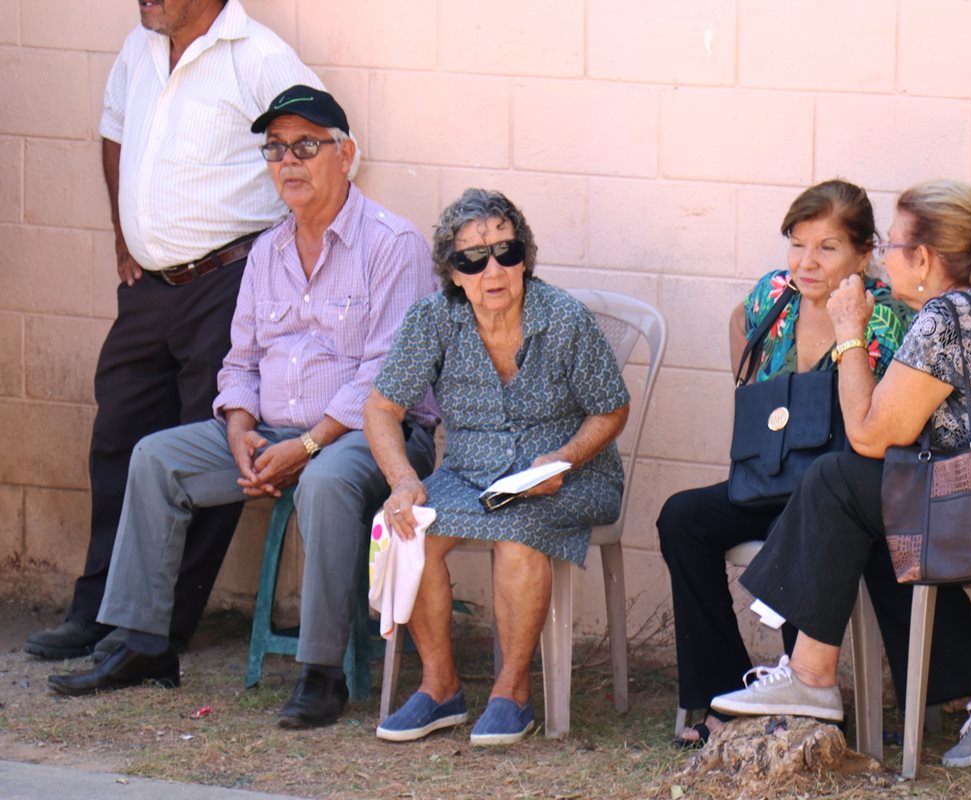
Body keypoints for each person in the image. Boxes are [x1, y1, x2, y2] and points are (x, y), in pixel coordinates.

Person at [47, 86, 440, 732]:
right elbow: (240, 362)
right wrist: (238, 429)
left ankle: (322, 673)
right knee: (156, 458)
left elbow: (383, 376)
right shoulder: (268, 250)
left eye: (305, 146)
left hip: (376, 436)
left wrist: (306, 445)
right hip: (275, 432)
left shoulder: (392, 243)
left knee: (325, 481)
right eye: (276, 149)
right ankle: (143, 642)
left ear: (346, 155)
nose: (289, 161)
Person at [711, 179, 971, 768]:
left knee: (833, 479)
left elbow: (870, 437)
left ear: (924, 258)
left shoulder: (946, 319)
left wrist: (850, 330)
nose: (882, 257)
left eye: (893, 246)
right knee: (881, 525)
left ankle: (809, 675)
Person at [26, 0, 326, 661]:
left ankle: (159, 626)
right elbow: (114, 133)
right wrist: (123, 238)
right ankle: (98, 610)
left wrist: (278, 263)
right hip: (150, 289)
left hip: (228, 284)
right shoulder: (139, 47)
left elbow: (331, 155)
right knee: (117, 443)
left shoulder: (258, 57)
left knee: (207, 449)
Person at [363, 188, 630, 746]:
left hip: (573, 475)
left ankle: (513, 693)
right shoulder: (434, 319)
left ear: (524, 258)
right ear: (453, 273)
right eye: (472, 258)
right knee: (407, 531)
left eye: (506, 252)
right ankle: (440, 689)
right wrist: (404, 481)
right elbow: (382, 409)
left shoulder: (564, 318)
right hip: (469, 474)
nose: (493, 269)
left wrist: (562, 458)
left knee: (517, 530)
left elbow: (611, 409)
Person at [656, 179, 914, 748]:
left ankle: (802, 696)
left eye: (827, 247)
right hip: (768, 476)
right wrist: (754, 391)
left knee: (795, 527)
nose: (807, 261)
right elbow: (736, 325)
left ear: (863, 253)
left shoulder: (883, 315)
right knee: (683, 517)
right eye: (797, 244)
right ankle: (725, 691)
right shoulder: (775, 294)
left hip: (838, 494)